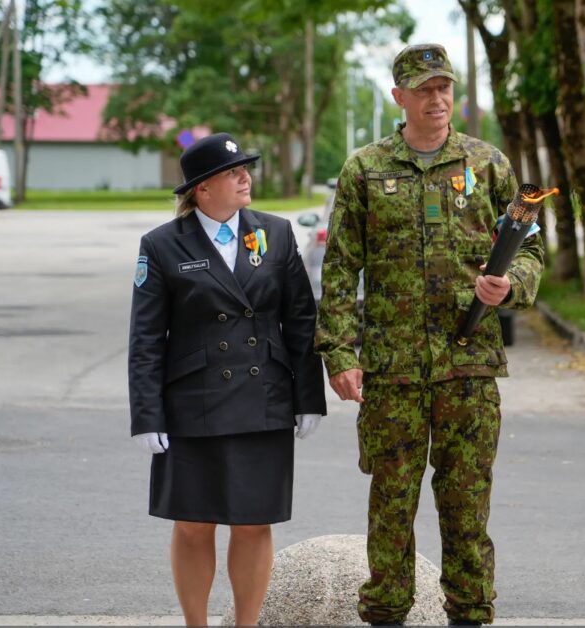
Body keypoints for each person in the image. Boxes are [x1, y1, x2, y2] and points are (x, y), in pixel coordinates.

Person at [316, 44, 544, 626]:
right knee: (391, 505)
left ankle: (471, 612)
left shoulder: (487, 163)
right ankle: (387, 613)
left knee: (467, 506)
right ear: (400, 97)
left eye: (444, 87)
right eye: (423, 89)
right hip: (391, 371)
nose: (436, 99)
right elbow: (341, 266)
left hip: (468, 366)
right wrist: (340, 353)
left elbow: (531, 248)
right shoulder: (365, 169)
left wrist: (510, 285)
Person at [128, 132, 326, 626]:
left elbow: (301, 320)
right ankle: (196, 624)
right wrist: (147, 414)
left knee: (254, 523)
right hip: (193, 403)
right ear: (201, 189)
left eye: (246, 169)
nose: (245, 178)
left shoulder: (276, 234)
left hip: (264, 399)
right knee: (194, 524)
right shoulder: (161, 245)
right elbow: (146, 338)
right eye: (232, 172)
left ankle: (247, 624)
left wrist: (309, 396)